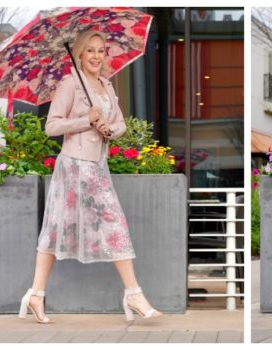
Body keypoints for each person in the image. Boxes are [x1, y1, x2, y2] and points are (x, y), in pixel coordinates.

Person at [18, 30, 163, 324]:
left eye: (101, 50)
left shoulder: (106, 86)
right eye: (91, 51)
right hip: (73, 168)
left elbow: (120, 123)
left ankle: (130, 293)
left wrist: (108, 129)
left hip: (97, 167)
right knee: (60, 229)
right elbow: (51, 127)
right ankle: (38, 294)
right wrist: (87, 120)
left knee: (110, 225)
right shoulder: (70, 84)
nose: (97, 56)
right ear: (80, 54)